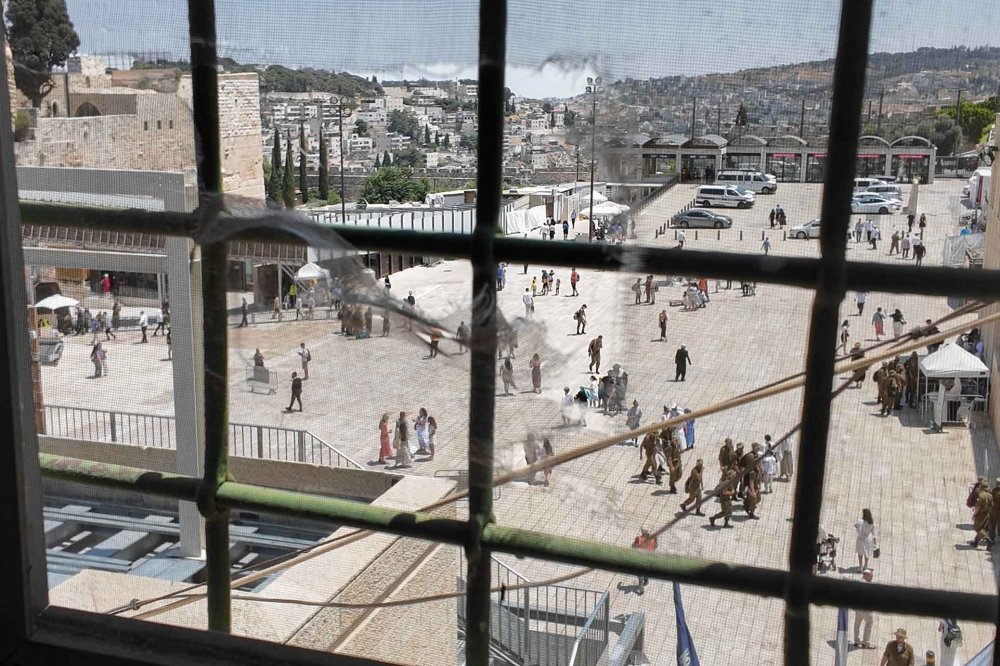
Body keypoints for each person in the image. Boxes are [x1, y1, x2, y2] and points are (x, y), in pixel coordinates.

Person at [853, 568, 876, 649]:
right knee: (869, 623)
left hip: (858, 607)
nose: (872, 578)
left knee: (857, 623)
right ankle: (866, 642)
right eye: (870, 576)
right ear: (866, 575)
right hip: (865, 608)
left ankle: (856, 641)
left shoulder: (859, 582)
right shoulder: (867, 585)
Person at [631, 526, 657, 593]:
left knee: (639, 574)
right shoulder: (653, 538)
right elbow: (656, 546)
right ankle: (646, 581)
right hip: (649, 559)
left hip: (640, 559)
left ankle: (641, 586)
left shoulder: (639, 539)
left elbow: (633, 547)